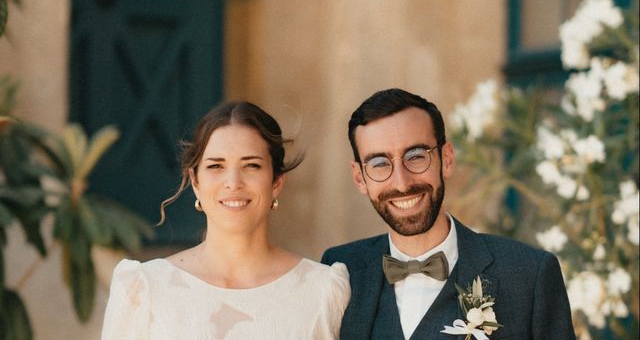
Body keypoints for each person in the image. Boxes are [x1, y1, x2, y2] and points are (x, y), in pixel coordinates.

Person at [322, 88, 576, 340]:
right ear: (360, 178)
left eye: (416, 156)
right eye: (379, 164)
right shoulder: (339, 271)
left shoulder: (528, 275)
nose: (401, 182)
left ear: (447, 159)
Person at [102, 101, 350, 339]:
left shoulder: (322, 290)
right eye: (216, 166)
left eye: (251, 165)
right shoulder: (145, 288)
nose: (233, 182)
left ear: (276, 182)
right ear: (196, 182)